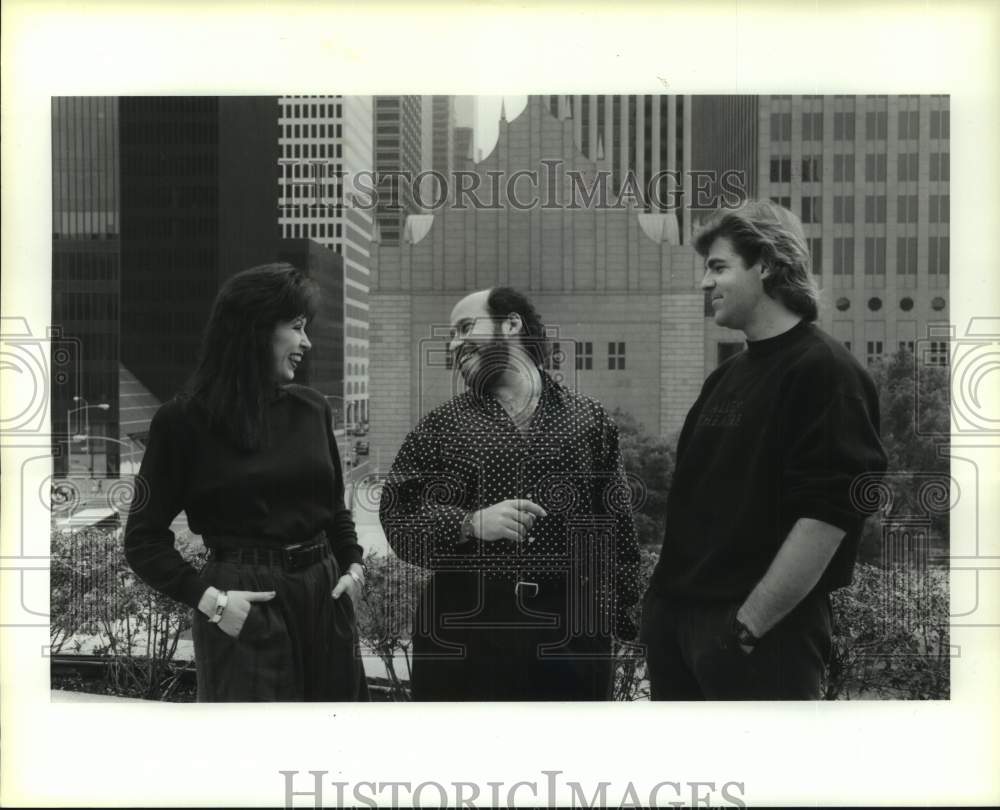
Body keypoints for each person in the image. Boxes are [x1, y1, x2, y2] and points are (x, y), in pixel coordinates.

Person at [640, 200, 888, 700]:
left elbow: (826, 517)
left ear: (768, 264)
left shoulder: (825, 372)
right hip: (681, 632)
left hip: (762, 638)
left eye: (718, 267)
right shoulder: (724, 378)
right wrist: (663, 617)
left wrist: (747, 628)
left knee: (766, 780)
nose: (703, 284)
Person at [379, 287, 641, 701]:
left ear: (512, 324)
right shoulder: (441, 427)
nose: (454, 343)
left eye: (466, 327)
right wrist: (469, 523)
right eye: (450, 335)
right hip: (465, 633)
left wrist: (625, 621)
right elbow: (397, 515)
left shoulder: (589, 419)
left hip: (571, 634)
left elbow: (618, 529)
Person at [124, 264, 367, 702]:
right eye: (296, 327)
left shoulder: (312, 408)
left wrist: (352, 566)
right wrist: (212, 602)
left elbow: (335, 508)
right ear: (255, 329)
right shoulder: (182, 421)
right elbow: (143, 540)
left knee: (336, 740)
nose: (306, 343)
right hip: (244, 599)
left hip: (325, 591)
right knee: (254, 750)